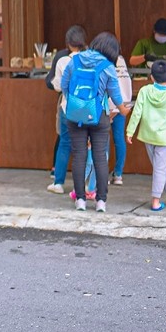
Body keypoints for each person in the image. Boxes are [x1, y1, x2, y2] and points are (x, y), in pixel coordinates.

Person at [60, 31, 124, 213]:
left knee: (79, 156)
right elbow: (116, 95)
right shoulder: (107, 67)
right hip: (99, 116)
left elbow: (64, 85)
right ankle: (101, 201)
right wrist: (123, 109)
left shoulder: (75, 60)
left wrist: (78, 105)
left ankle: (80, 200)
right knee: (99, 157)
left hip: (75, 116)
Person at [126, 60, 166, 211]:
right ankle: (155, 201)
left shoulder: (144, 91)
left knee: (160, 167)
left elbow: (136, 113)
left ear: (151, 77)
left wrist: (130, 131)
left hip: (147, 136)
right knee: (160, 169)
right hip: (164, 139)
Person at [45, 25, 87, 194]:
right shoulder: (91, 59)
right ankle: (83, 185)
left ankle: (58, 183)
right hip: (86, 107)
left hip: (68, 107)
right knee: (83, 145)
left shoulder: (63, 61)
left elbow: (56, 86)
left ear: (68, 43)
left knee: (65, 143)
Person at [109, 54, 133, 185]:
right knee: (119, 140)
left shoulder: (106, 60)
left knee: (102, 140)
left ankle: (100, 175)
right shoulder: (122, 61)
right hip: (123, 104)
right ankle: (118, 174)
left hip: (109, 105)